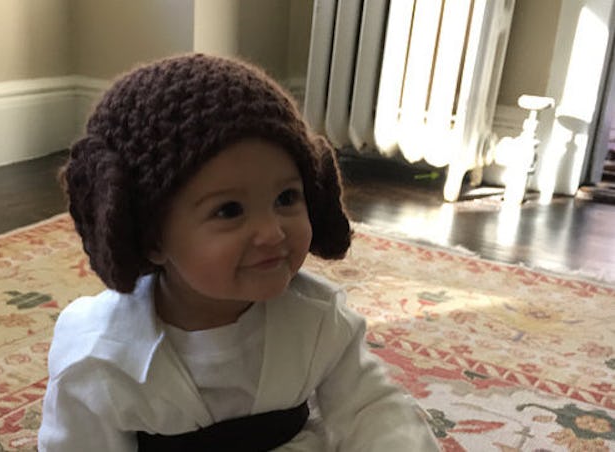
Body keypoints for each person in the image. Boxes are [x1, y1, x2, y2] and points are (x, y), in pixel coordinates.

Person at [37, 53, 439, 451]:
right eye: (229, 210)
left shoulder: (318, 321)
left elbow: (372, 409)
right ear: (151, 238)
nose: (271, 232)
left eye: (286, 198)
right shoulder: (99, 357)